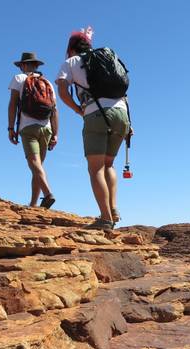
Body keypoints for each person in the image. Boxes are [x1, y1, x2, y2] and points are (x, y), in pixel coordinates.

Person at [55, 29, 132, 230]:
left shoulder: (70, 62)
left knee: (95, 167)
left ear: (71, 48)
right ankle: (113, 209)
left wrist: (78, 110)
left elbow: (62, 91)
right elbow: (123, 91)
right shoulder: (106, 57)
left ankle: (105, 219)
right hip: (122, 115)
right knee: (109, 164)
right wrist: (129, 124)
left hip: (95, 114)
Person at [8, 52, 58, 209]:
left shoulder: (19, 78)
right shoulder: (47, 83)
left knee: (34, 164)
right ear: (36, 65)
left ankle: (48, 194)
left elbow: (13, 104)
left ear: (23, 65)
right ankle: (34, 204)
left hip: (28, 127)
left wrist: (10, 128)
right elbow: (54, 111)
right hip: (46, 128)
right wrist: (55, 134)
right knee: (38, 167)